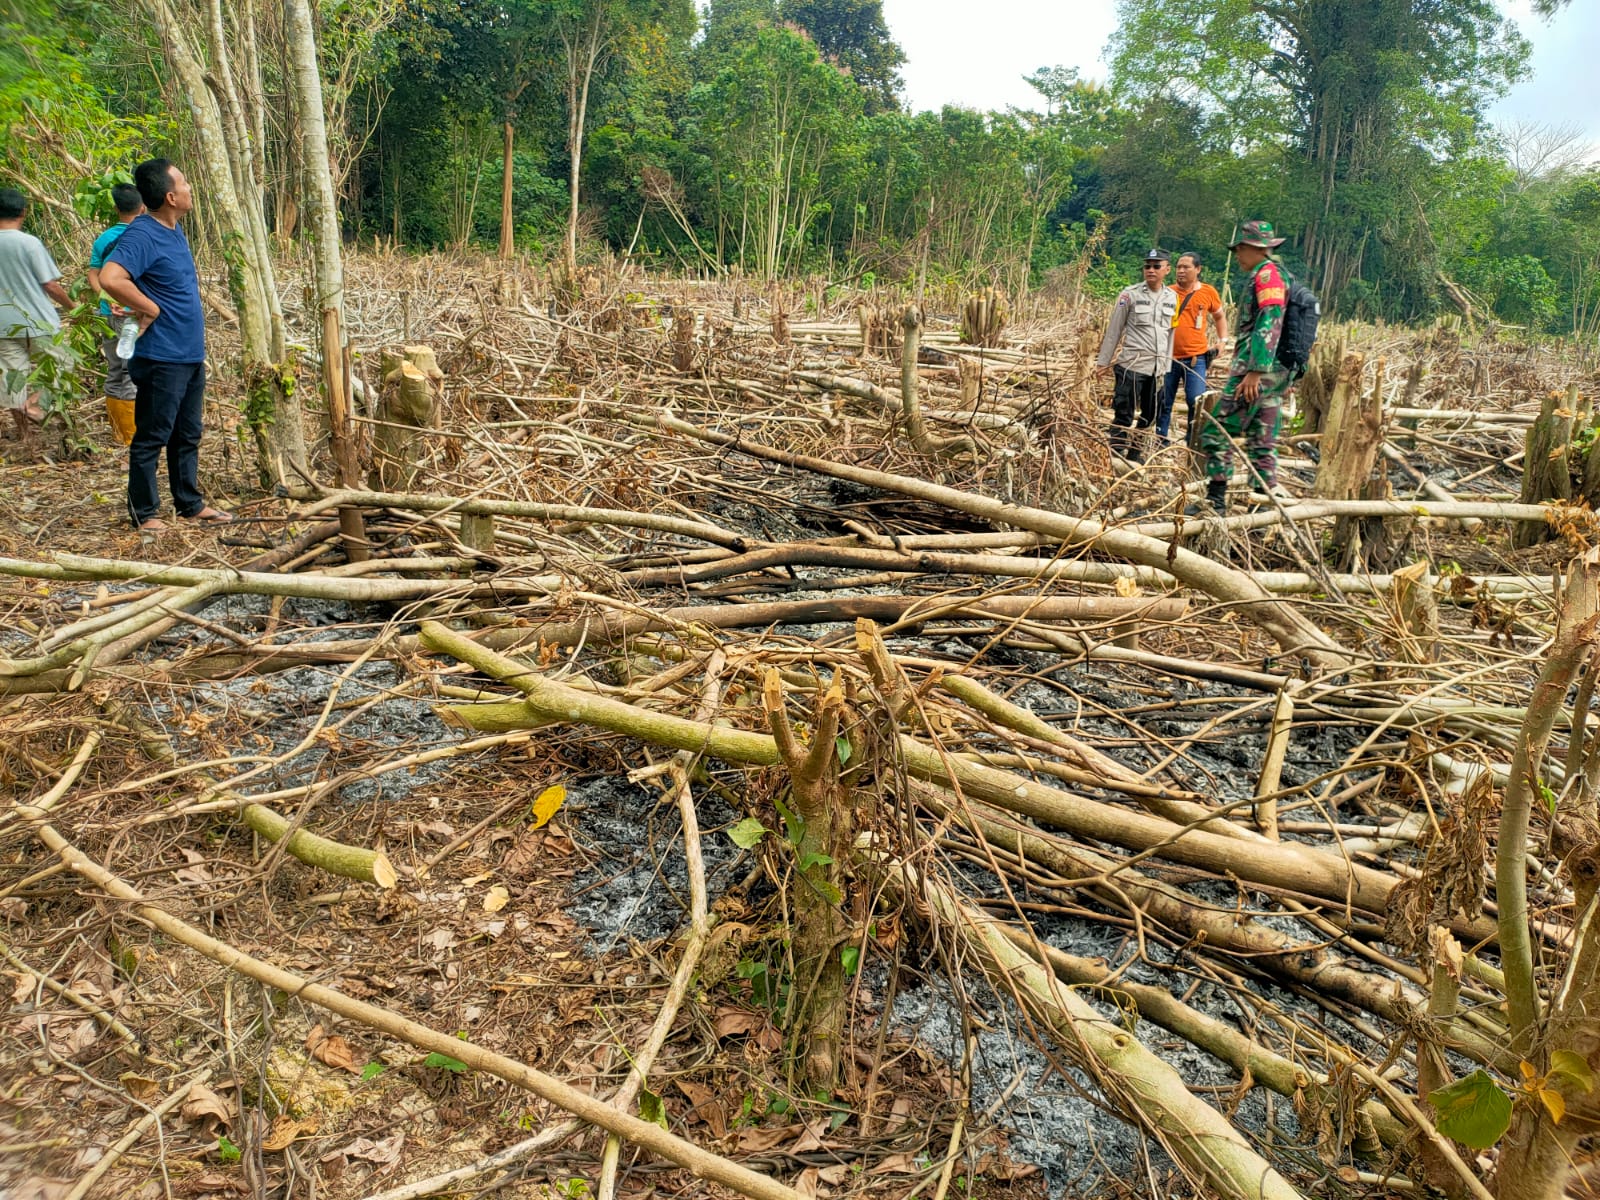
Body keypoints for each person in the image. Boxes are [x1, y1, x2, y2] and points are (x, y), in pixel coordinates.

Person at [99, 159, 232, 530]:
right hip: (162, 356)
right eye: (185, 182)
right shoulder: (142, 234)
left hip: (188, 353)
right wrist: (149, 308)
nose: (191, 188)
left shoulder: (173, 229)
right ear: (171, 196)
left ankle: (189, 503)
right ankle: (144, 513)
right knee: (152, 435)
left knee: (187, 432)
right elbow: (111, 277)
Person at [1193, 220, 1294, 516]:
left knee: (1216, 431)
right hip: (1274, 372)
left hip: (1258, 371)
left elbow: (1270, 321)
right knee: (1262, 440)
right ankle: (1264, 513)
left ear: (1254, 248)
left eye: (1240, 249)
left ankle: (1216, 502)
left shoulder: (1268, 276)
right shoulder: (1275, 274)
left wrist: (1255, 370)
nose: (1237, 255)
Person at [0, 188, 71, 453]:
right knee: (62, 364)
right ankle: (36, 405)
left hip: (2, 325)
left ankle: (25, 437)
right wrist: (73, 307)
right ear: (23, 212)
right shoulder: (28, 243)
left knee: (12, 378)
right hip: (37, 321)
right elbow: (50, 285)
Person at [1095, 248, 1176, 463]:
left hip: (1157, 369)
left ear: (1167, 269)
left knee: (1151, 415)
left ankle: (1135, 453)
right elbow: (1114, 330)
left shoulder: (1172, 298)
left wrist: (1166, 367)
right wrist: (1103, 362)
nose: (1150, 270)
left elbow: (1171, 334)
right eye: (1147, 266)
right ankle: (1116, 454)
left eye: (1156, 266)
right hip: (1132, 365)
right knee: (1124, 414)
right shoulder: (1129, 295)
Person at [88, 182, 146, 447]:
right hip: (134, 315)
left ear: (115, 208)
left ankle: (119, 432)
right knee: (131, 372)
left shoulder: (104, 239)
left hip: (106, 314)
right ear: (143, 206)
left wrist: (106, 297)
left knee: (115, 369)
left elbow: (94, 273)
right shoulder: (143, 236)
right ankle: (130, 435)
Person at [1157, 251, 1227, 443]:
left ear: (1198, 269)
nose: (1181, 271)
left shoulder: (1208, 292)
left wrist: (1223, 341)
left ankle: (1192, 440)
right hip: (1168, 357)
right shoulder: (1166, 292)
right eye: (1178, 267)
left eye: (1186, 267)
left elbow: (1220, 316)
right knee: (1164, 400)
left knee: (1195, 401)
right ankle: (1160, 439)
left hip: (1196, 358)